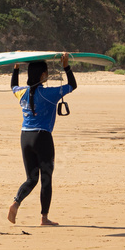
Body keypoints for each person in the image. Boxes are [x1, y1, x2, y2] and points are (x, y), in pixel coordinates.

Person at [7, 53, 77, 226]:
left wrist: (15, 69)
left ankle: (16, 203)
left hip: (25, 137)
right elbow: (72, 85)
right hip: (42, 137)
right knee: (46, 178)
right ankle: (44, 218)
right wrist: (66, 66)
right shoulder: (49, 94)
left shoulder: (21, 93)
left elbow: (13, 86)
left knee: (31, 178)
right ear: (42, 75)